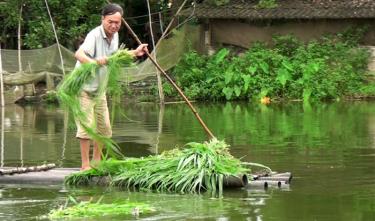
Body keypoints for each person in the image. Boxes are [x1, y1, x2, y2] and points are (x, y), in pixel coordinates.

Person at [74, 3, 148, 170]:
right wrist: (93, 63)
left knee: (104, 128)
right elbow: (78, 54)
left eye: (117, 23)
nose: (114, 26)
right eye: (110, 22)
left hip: (99, 89)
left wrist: (135, 52)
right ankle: (85, 166)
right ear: (103, 19)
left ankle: (97, 161)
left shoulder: (114, 37)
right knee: (86, 127)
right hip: (83, 89)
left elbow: (115, 58)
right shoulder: (94, 35)